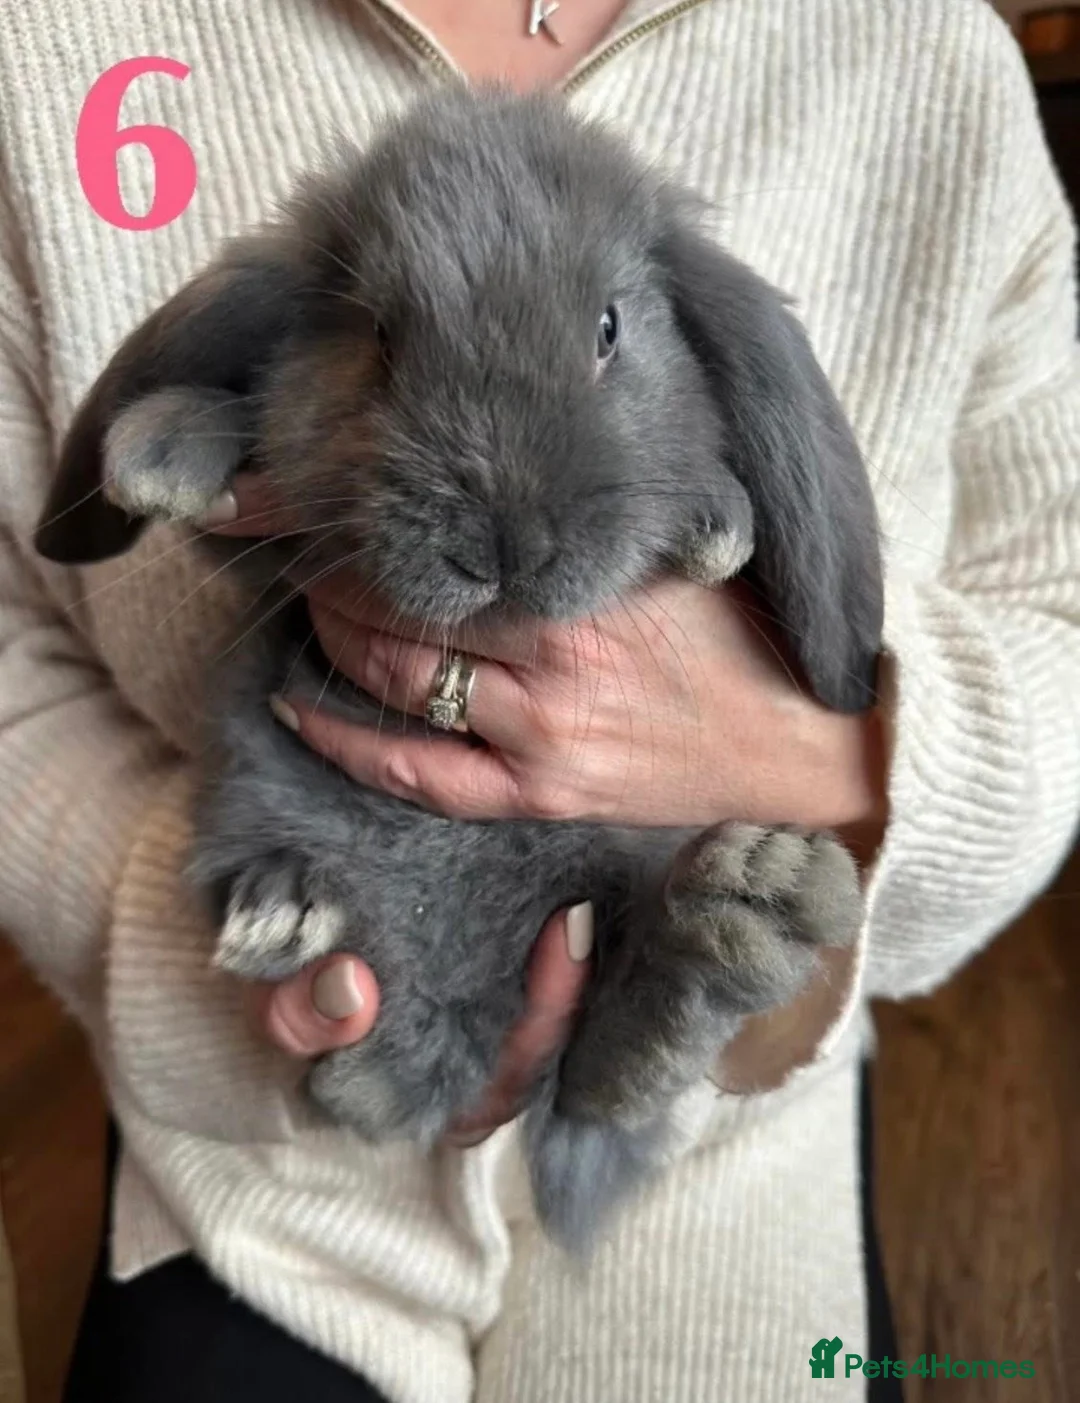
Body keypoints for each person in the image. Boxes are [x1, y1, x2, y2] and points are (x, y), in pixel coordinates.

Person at [1, 1, 1077, 1399]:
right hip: (263, 1173)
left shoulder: (932, 61)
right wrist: (203, 941)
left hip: (724, 1165)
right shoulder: (49, 46)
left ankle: (669, 989)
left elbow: (1059, 603)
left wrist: (828, 752)